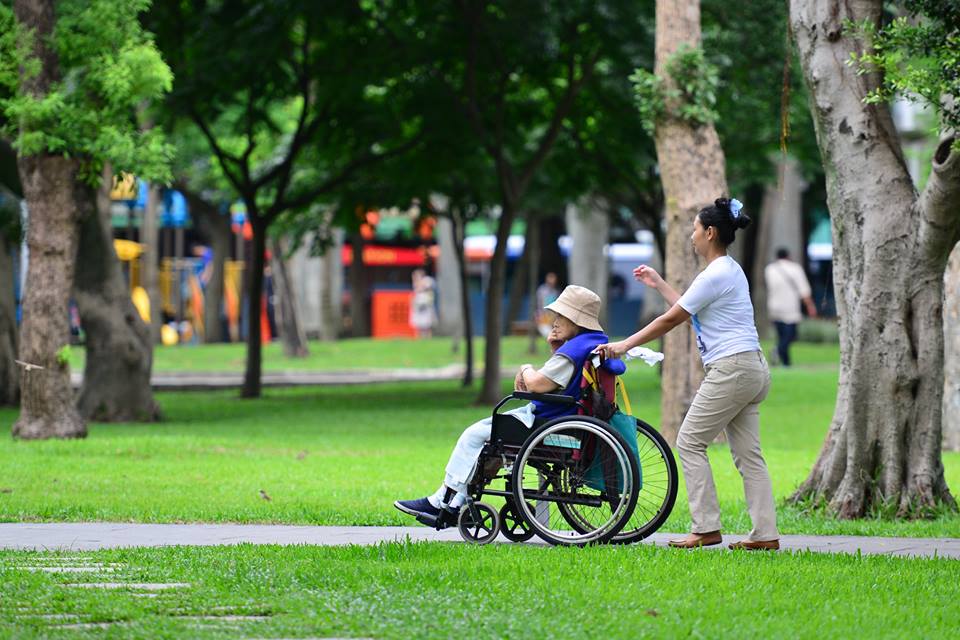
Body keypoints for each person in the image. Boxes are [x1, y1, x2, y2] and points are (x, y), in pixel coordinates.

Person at [595, 198, 779, 551]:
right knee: (748, 455)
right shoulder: (729, 270)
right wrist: (659, 284)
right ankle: (765, 534)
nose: (691, 236)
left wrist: (623, 345)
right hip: (752, 368)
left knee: (689, 441)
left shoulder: (716, 274)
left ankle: (706, 527)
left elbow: (671, 319)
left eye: (694, 230)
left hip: (732, 370)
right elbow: (689, 310)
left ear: (710, 232)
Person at [394, 285, 624, 519]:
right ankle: (454, 503)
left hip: (549, 422)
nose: (554, 321)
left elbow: (536, 385)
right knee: (487, 444)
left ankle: (440, 501)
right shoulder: (591, 343)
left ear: (577, 321)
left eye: (561, 316)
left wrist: (524, 368)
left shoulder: (573, 351)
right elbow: (560, 380)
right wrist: (555, 349)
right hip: (566, 419)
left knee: (473, 435)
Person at [764, 247, 817, 367]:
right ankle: (777, 350)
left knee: (782, 335)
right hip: (790, 307)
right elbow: (804, 290)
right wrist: (810, 306)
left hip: (774, 306)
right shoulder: (795, 269)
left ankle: (786, 363)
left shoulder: (769, 269)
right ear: (788, 256)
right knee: (790, 335)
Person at [409, 268, 437, 338]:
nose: (415, 278)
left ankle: (429, 338)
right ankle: (420, 339)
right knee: (419, 325)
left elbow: (430, 288)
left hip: (426, 305)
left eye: (416, 276)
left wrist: (421, 286)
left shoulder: (427, 280)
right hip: (418, 306)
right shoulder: (415, 283)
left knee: (427, 325)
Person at [535, 272, 560, 337]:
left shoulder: (556, 291)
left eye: (553, 278)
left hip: (553, 314)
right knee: (546, 332)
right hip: (544, 315)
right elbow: (539, 304)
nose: (552, 280)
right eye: (550, 278)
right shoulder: (542, 290)